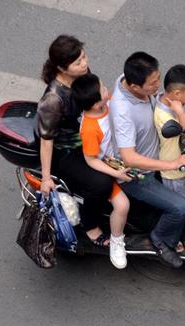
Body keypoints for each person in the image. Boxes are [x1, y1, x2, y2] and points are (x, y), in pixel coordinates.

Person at [109, 52, 185, 268]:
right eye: (153, 83)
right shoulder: (123, 112)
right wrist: (171, 164)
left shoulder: (132, 79)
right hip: (136, 175)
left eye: (158, 78)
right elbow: (129, 157)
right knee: (182, 208)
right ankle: (161, 240)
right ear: (134, 87)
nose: (158, 86)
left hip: (157, 155)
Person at [37, 34, 114, 248]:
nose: (85, 64)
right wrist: (45, 178)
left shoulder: (82, 74)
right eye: (78, 62)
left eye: (84, 57)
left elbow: (99, 93)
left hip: (90, 132)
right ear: (62, 68)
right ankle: (89, 225)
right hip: (67, 150)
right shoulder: (53, 99)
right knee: (102, 183)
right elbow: (46, 140)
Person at [71, 73, 131, 269]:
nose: (108, 90)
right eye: (104, 89)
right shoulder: (89, 128)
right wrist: (116, 173)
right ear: (97, 104)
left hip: (121, 158)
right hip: (108, 167)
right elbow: (91, 160)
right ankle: (116, 240)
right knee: (122, 205)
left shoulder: (107, 104)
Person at [154, 64, 185, 198]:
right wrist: (180, 112)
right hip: (174, 172)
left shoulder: (168, 100)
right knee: (183, 202)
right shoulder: (164, 117)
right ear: (177, 93)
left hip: (183, 161)